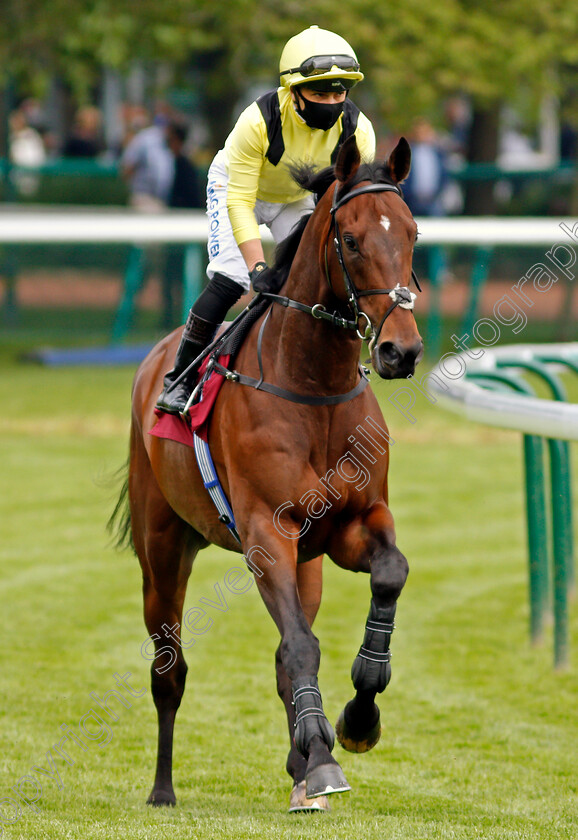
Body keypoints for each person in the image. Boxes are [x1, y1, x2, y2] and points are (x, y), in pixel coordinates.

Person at [156, 25, 376, 414]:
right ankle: (181, 377)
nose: (331, 101)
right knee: (231, 279)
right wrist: (258, 264)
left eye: (339, 92)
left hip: (294, 198)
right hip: (238, 189)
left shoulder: (360, 133)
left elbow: (348, 204)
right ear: (293, 91)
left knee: (316, 277)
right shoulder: (256, 122)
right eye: (320, 92)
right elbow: (240, 200)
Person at [161, 121, 204, 330]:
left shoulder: (184, 166)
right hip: (177, 229)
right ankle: (171, 318)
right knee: (171, 278)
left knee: (178, 277)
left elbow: (190, 200)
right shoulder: (179, 164)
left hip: (182, 231)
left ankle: (179, 319)